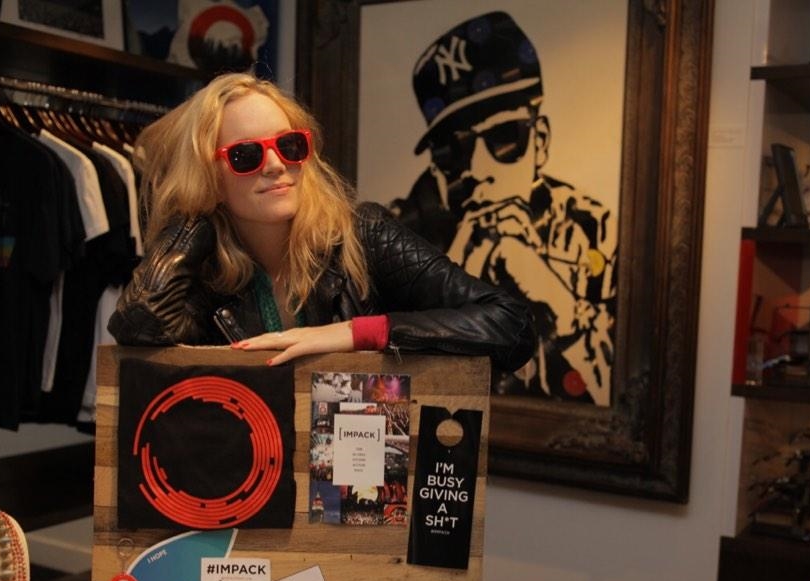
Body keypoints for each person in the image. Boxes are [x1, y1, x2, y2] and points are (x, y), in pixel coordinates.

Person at [107, 72, 535, 373]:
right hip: (252, 469)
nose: (276, 165)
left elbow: (511, 325)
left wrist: (354, 333)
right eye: (245, 155)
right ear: (208, 177)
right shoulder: (206, 273)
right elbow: (140, 325)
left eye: (289, 145)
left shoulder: (362, 234)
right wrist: (193, 214)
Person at [388, 11, 616, 404]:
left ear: (540, 142)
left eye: (503, 138)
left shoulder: (593, 229)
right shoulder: (401, 233)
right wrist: (448, 292)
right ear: (436, 167)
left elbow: (611, 393)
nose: (478, 170)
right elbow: (383, 391)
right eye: (453, 151)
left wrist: (563, 309)